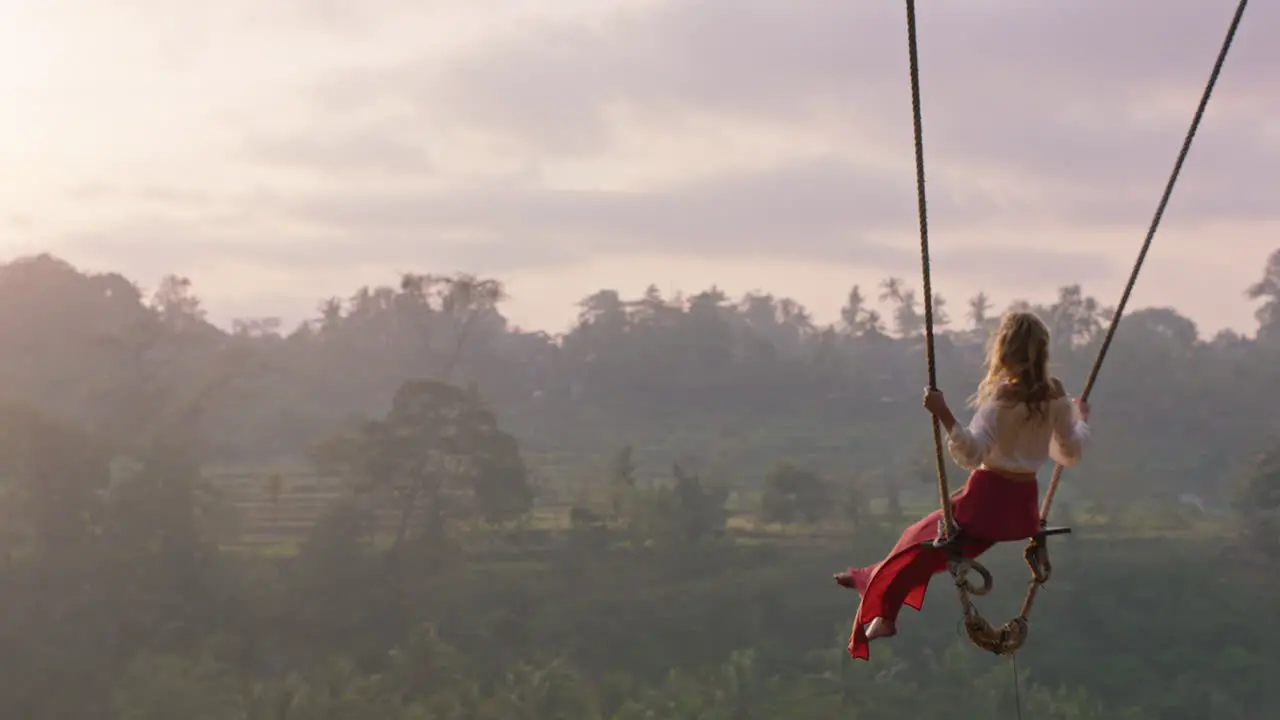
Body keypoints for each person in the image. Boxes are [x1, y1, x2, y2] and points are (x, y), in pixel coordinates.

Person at [835, 311, 1090, 661]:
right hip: (1022, 511)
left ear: (1004, 351)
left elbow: (971, 453)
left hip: (986, 503)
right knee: (928, 548)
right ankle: (874, 588)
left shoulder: (1003, 398)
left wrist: (943, 413)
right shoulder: (1056, 396)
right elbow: (1071, 452)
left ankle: (881, 603)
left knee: (921, 542)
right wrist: (1079, 420)